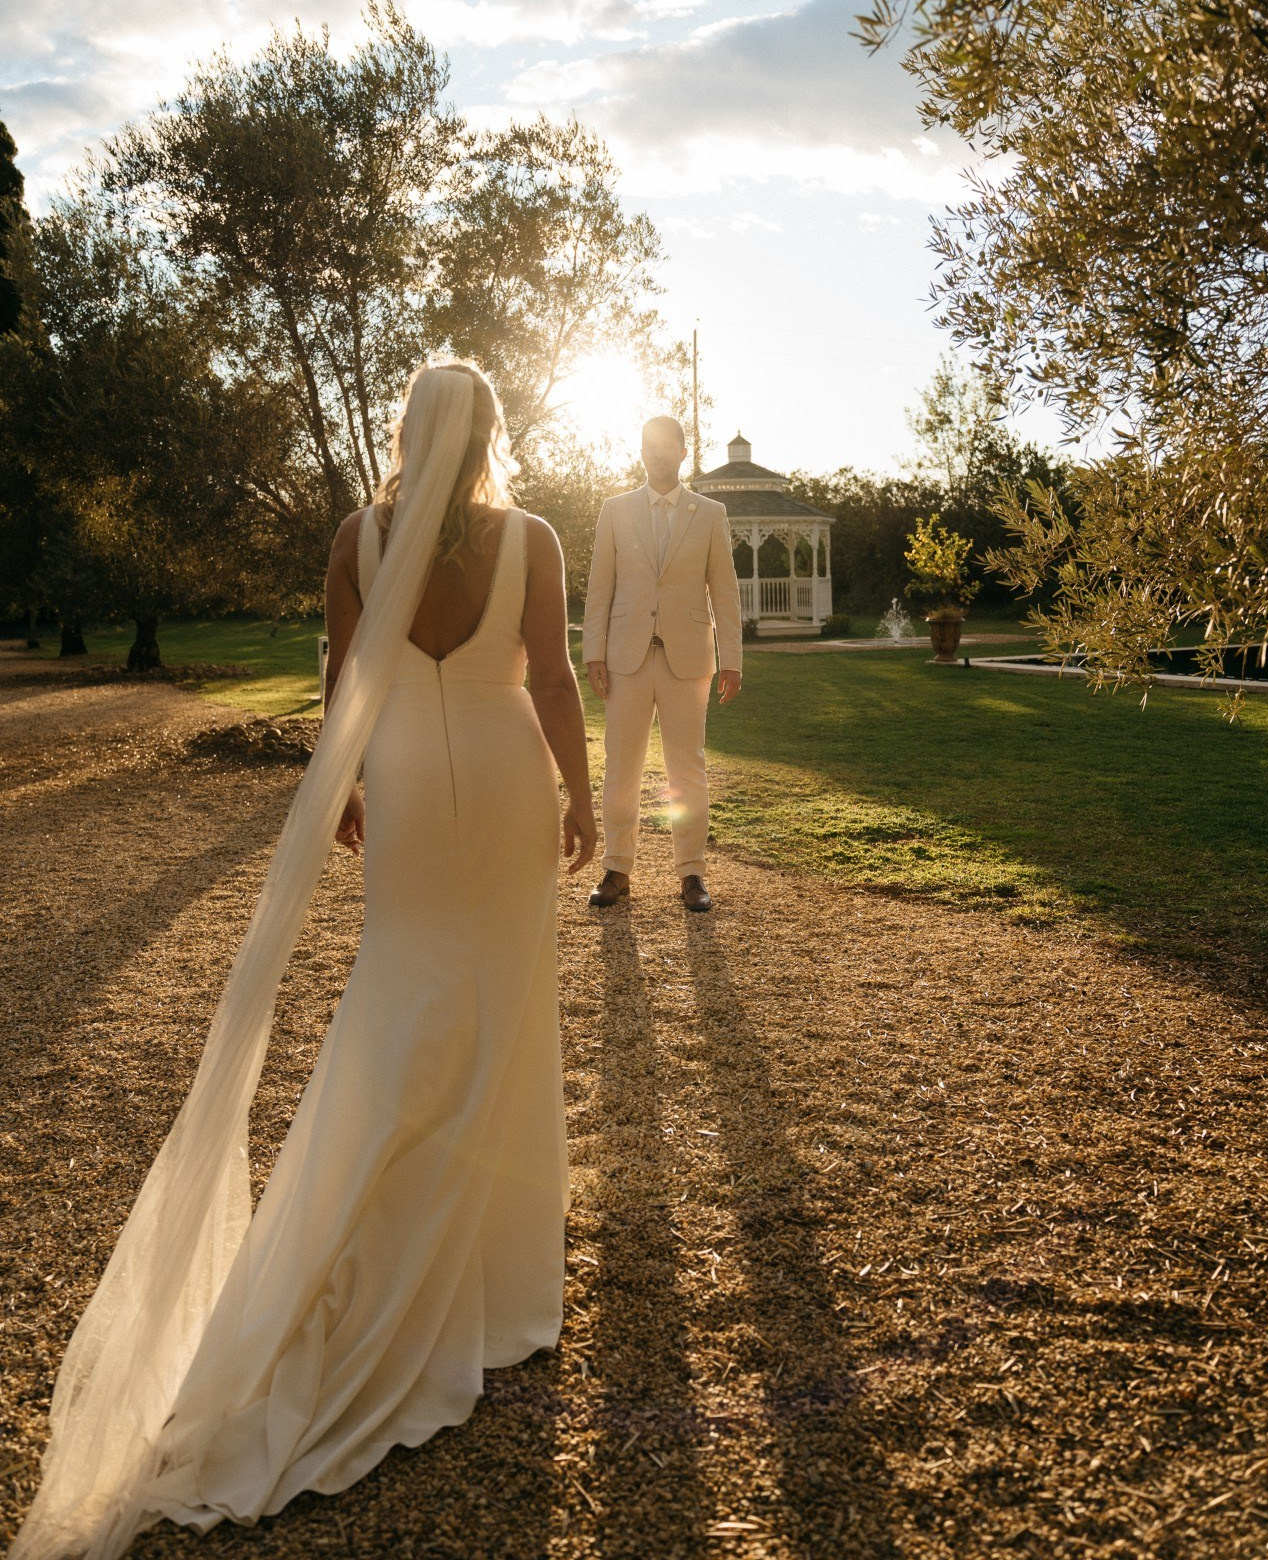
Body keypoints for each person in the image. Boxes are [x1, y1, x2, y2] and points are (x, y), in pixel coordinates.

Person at [13, 360, 597, 1560]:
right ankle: (492, 1269)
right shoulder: (529, 535)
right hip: (499, 784)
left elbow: (347, 677)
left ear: (403, 430)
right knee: (502, 1005)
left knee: (396, 992)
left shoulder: (352, 535)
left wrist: (337, 788)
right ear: (491, 431)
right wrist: (585, 797)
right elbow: (547, 674)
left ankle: (385, 1220)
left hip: (404, 795)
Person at [582, 413, 742, 914]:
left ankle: (692, 874)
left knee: (687, 769)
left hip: (689, 658)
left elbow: (726, 590)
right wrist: (593, 651)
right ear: (642, 452)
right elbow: (600, 586)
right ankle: (616, 869)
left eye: (665, 446)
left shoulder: (710, 513)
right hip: (626, 657)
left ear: (682, 452)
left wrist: (732, 659)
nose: (656, 454)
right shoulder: (615, 509)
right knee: (621, 768)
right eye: (648, 446)